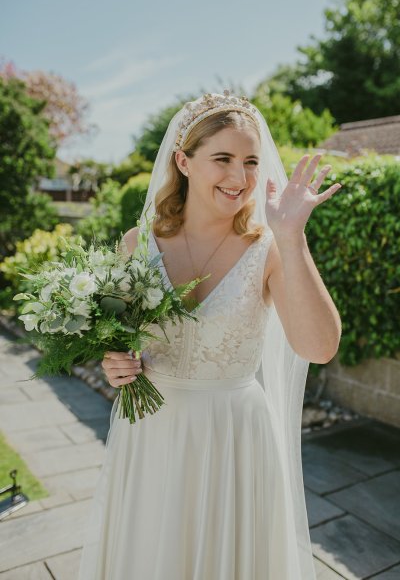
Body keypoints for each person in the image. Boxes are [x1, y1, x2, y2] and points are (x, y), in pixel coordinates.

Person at [78, 90, 342, 579]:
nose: (239, 178)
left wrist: (291, 235)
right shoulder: (137, 245)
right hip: (152, 434)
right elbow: (117, 339)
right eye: (222, 158)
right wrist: (115, 363)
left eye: (250, 161)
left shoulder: (269, 249)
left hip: (234, 436)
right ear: (183, 161)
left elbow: (319, 347)